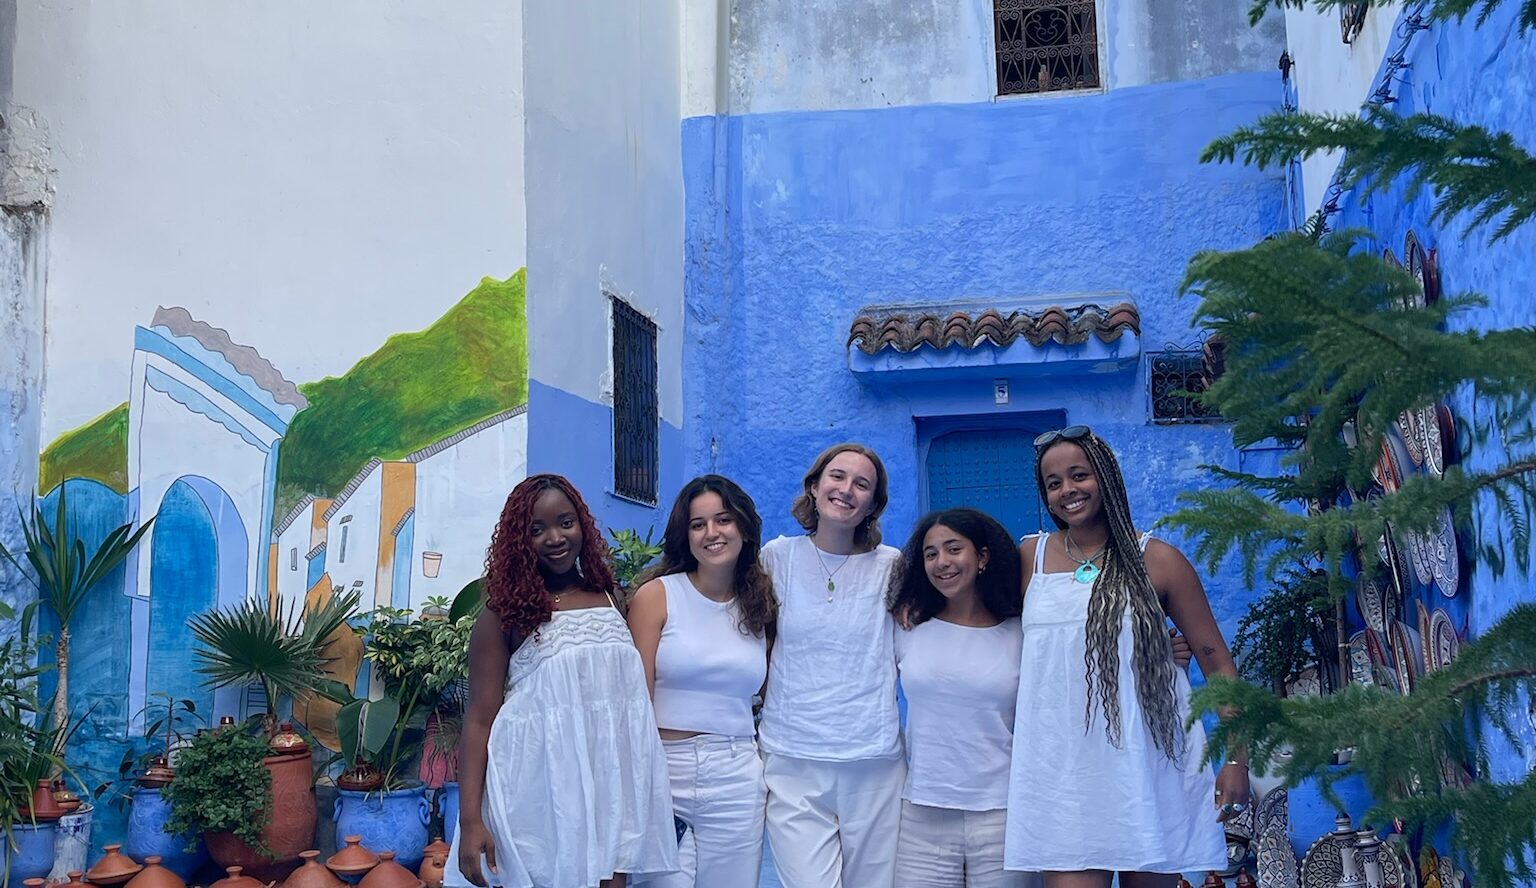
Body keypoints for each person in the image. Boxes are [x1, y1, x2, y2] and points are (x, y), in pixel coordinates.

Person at [1004, 426, 1249, 888]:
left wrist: (1237, 759)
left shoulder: (1158, 560)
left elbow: (1216, 659)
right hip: (1063, 774)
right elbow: (981, 626)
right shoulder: (1028, 557)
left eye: (1079, 475)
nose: (1067, 491)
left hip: (1149, 764)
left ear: (1108, 477)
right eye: (1053, 483)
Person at [451, 474, 678, 888]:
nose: (555, 537)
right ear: (520, 540)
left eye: (565, 522)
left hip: (610, 787)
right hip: (539, 789)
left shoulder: (611, 595)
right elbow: (480, 719)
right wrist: (469, 821)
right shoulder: (502, 615)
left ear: (582, 526)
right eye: (536, 529)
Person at [758, 442, 905, 888]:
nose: (846, 490)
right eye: (837, 477)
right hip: (792, 758)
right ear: (814, 486)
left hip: (873, 762)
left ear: (873, 505)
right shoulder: (777, 558)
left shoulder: (893, 566)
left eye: (862, 484)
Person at [626, 474, 777, 886]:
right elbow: (633, 700)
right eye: (698, 524)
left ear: (743, 528)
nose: (712, 533)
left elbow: (762, 694)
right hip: (663, 767)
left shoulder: (760, 606)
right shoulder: (657, 596)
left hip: (737, 773)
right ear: (686, 535)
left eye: (723, 520)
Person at [887, 508, 1039, 888]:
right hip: (922, 814)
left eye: (954, 549)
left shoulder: (1022, 634)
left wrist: (1164, 655)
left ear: (983, 557)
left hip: (1003, 814)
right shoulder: (907, 628)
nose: (942, 562)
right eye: (931, 553)